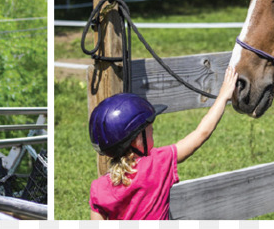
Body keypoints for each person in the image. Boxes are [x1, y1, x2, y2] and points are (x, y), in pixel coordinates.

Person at [88, 65, 237, 220]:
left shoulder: (98, 188)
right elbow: (201, 134)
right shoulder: (157, 164)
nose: (153, 129)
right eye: (149, 128)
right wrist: (223, 96)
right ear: (137, 139)